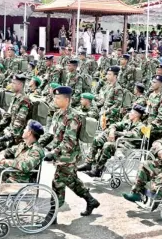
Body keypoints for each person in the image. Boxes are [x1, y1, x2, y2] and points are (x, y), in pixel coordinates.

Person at [40, 86, 100, 221]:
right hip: (59, 155)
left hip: (68, 157)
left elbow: (69, 141)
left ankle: (52, 214)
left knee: (57, 183)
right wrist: (39, 144)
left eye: (58, 98)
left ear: (66, 100)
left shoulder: (73, 116)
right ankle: (91, 200)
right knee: (72, 181)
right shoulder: (57, 113)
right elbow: (51, 133)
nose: (55, 99)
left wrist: (53, 153)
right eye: (54, 97)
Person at [79, 104, 146, 175]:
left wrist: (117, 133)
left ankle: (98, 170)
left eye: (131, 112)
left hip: (128, 147)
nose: (129, 114)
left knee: (107, 145)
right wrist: (112, 131)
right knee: (97, 140)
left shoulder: (141, 126)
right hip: (119, 143)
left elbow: (133, 135)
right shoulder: (128, 122)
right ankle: (88, 163)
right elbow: (114, 125)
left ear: (136, 115)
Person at [0, 74, 31, 145]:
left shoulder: (24, 100)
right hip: (11, 134)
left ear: (20, 85)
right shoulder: (15, 97)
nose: (11, 85)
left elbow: (19, 121)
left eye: (14, 83)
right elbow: (8, 116)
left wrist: (10, 135)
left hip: (18, 138)